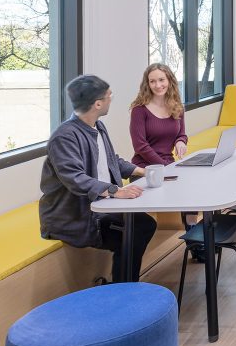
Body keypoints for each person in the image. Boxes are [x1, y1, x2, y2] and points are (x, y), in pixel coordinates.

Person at [39, 74, 156, 285]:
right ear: (98, 103)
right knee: (135, 230)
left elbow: (112, 160)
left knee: (143, 224)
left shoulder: (98, 126)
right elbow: (75, 179)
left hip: (102, 205)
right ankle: (123, 290)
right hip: (76, 215)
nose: (112, 97)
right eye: (109, 95)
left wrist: (142, 171)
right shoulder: (65, 136)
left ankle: (124, 286)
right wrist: (115, 191)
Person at [129, 63, 187, 167]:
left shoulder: (178, 107)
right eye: (152, 81)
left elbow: (181, 134)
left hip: (169, 164)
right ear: (148, 84)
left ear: (169, 80)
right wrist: (165, 166)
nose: (158, 85)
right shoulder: (139, 110)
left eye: (161, 80)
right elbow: (140, 146)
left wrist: (180, 141)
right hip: (144, 168)